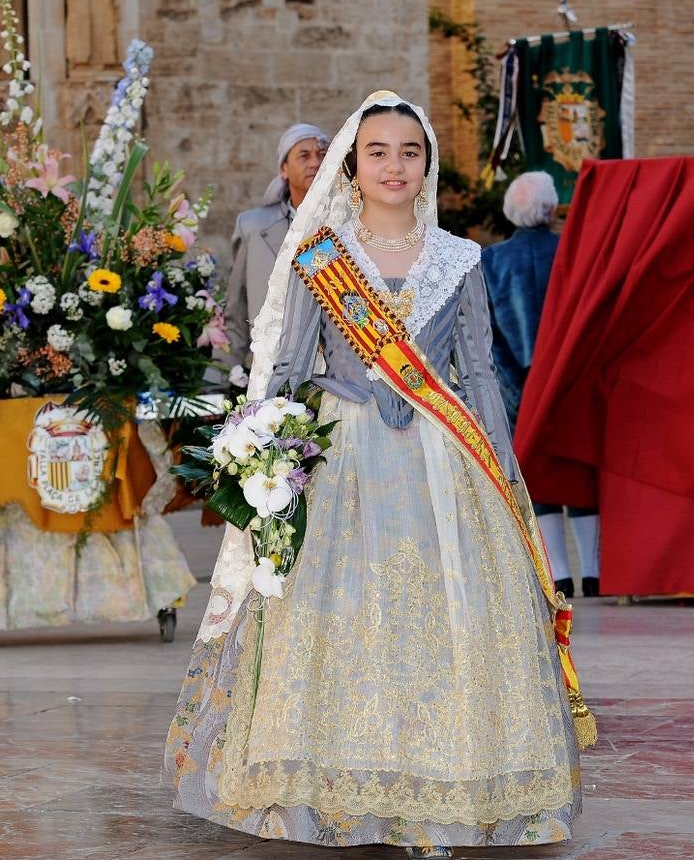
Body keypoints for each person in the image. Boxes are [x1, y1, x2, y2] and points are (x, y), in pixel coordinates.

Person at [165, 92, 589, 858]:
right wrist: (270, 458)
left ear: (427, 164)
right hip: (342, 460)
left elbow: (481, 375)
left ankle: (448, 783)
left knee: (449, 611)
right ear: (352, 168)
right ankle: (339, 788)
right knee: (346, 611)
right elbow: (290, 368)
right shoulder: (319, 254)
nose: (395, 166)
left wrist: (504, 466)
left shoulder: (461, 258)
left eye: (410, 152)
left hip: (445, 458)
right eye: (378, 153)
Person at [481, 171, 601, 598]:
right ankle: (594, 572)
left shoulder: (489, 261)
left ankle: (559, 577)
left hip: (517, 388)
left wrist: (513, 391)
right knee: (578, 472)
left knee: (539, 476)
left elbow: (487, 334)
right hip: (571, 385)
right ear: (550, 209)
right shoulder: (576, 254)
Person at [223, 123, 329, 368]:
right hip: (266, 372)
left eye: (322, 155)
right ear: (283, 169)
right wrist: (218, 379)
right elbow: (236, 310)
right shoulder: (252, 226)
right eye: (304, 155)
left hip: (334, 375)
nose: (315, 163)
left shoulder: (351, 225)